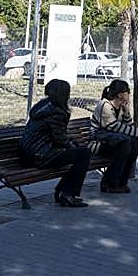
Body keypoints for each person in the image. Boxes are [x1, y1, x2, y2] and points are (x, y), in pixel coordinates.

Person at [20, 78, 91, 207]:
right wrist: (73, 144)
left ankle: (63, 192)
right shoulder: (56, 112)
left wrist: (71, 144)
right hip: (41, 155)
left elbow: (57, 137)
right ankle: (68, 194)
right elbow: (60, 140)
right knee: (84, 154)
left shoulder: (44, 106)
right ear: (63, 95)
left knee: (78, 154)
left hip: (30, 155)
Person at [91, 79, 138, 193]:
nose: (129, 94)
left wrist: (126, 113)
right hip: (97, 144)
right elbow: (115, 127)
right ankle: (109, 183)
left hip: (113, 142)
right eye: (127, 91)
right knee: (125, 145)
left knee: (135, 143)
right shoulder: (104, 105)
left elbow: (129, 126)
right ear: (120, 94)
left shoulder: (121, 106)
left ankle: (121, 182)